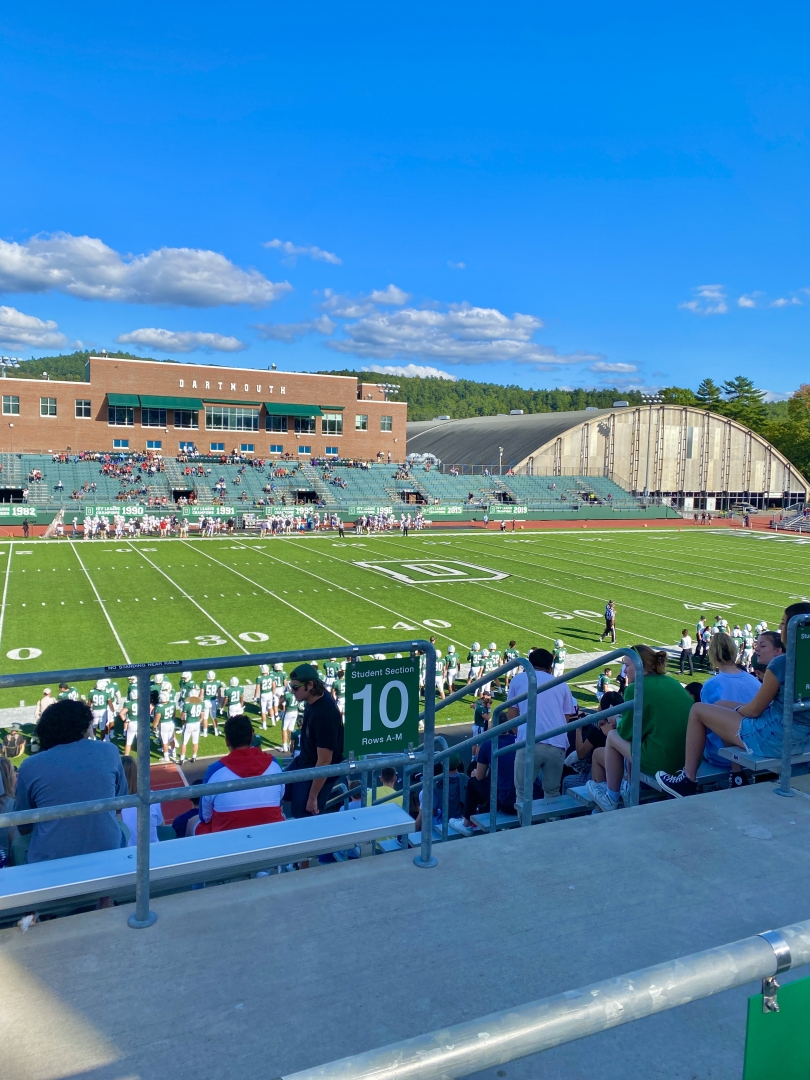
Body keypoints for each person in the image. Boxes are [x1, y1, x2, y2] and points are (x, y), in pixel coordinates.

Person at [656, 603, 810, 798]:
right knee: (720, 706)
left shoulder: (781, 663)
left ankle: (688, 779)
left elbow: (754, 711)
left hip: (776, 738)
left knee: (698, 710)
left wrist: (739, 711)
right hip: (803, 737)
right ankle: (737, 776)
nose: (780, 629)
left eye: (782, 624)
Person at [13, 699, 128, 863]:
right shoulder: (109, 751)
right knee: (122, 827)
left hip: (51, 860)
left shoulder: (30, 765)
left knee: (17, 842)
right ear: (83, 727)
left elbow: (23, 826)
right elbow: (120, 803)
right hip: (108, 850)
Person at [586, 645, 692, 812]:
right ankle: (627, 787)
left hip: (664, 762)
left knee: (613, 736)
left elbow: (625, 733)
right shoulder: (672, 682)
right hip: (688, 760)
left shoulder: (636, 688)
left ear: (641, 665)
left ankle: (611, 797)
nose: (624, 671)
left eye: (627, 666)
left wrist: (617, 722)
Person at [507, 647, 578, 807]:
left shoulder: (518, 679)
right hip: (557, 743)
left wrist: (521, 735)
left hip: (529, 742)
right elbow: (565, 718)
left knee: (522, 793)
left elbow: (511, 715)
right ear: (550, 667)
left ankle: (525, 829)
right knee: (552, 792)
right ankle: (551, 829)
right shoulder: (561, 683)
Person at [197, 715, 284, 832]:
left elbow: (205, 817)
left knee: (197, 826)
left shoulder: (215, 771)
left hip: (229, 840)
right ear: (252, 737)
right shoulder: (274, 764)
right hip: (272, 834)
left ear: (227, 741)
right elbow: (279, 799)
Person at [698, 632, 761, 785]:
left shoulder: (712, 685)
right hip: (754, 750)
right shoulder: (754, 682)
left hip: (723, 756)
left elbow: (706, 727)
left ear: (712, 654)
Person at [284, 664, 344, 817]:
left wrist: (313, 797)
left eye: (296, 687)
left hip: (314, 770)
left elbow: (324, 762)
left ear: (310, 685)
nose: (292, 691)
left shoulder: (325, 713)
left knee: (302, 814)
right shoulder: (315, 699)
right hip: (304, 761)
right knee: (275, 787)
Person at [451, 721, 517, 834]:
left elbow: (479, 776)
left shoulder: (488, 743)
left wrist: (476, 773)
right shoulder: (520, 739)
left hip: (508, 803)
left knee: (473, 782)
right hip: (526, 799)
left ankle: (466, 824)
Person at [120, 757, 164, 845]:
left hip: (126, 853)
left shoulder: (112, 803)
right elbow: (161, 823)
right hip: (152, 850)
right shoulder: (151, 796)